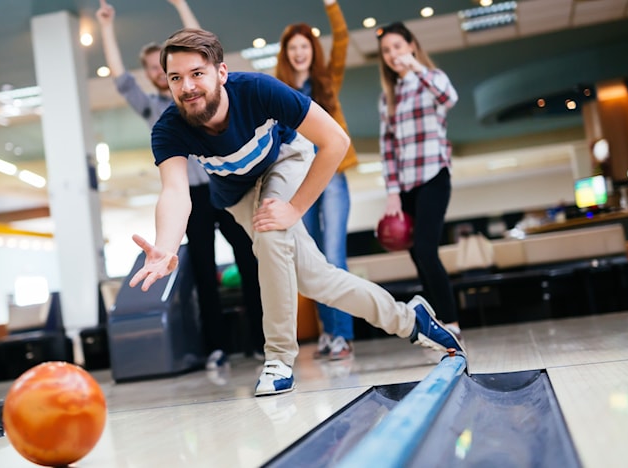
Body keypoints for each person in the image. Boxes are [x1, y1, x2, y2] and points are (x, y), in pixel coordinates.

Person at [129, 28, 465, 397]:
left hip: (285, 160)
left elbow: (336, 140)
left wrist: (295, 208)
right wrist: (166, 246)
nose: (187, 86)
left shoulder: (258, 90)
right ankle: (410, 320)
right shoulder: (169, 127)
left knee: (271, 233)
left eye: (197, 74)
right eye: (176, 78)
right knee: (317, 280)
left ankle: (278, 359)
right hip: (238, 194)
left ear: (221, 73)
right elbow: (176, 192)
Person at [95, 0, 264, 370]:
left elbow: (202, 46)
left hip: (225, 187)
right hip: (190, 198)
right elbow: (120, 79)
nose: (162, 73)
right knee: (203, 271)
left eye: (166, 66)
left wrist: (181, 5)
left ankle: (260, 341)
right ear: (155, 76)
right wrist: (106, 27)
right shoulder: (154, 108)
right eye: (156, 69)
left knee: (249, 261)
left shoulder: (201, 91)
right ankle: (217, 347)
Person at [274, 0, 356, 361]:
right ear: (286, 54)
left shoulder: (327, 80)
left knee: (335, 254)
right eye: (293, 48)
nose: (299, 53)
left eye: (304, 46)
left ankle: (343, 335)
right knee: (313, 259)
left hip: (333, 175)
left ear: (312, 50)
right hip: (300, 181)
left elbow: (342, 38)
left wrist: (332, 6)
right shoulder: (279, 90)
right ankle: (328, 333)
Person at [375, 22, 462, 339]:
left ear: (411, 46)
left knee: (426, 249)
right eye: (386, 51)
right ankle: (437, 326)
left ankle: (451, 323)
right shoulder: (388, 98)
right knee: (417, 255)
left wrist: (416, 67)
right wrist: (392, 193)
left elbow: (448, 98)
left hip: (434, 175)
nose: (392, 54)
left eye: (398, 46)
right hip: (406, 185)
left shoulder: (432, 78)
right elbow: (388, 148)